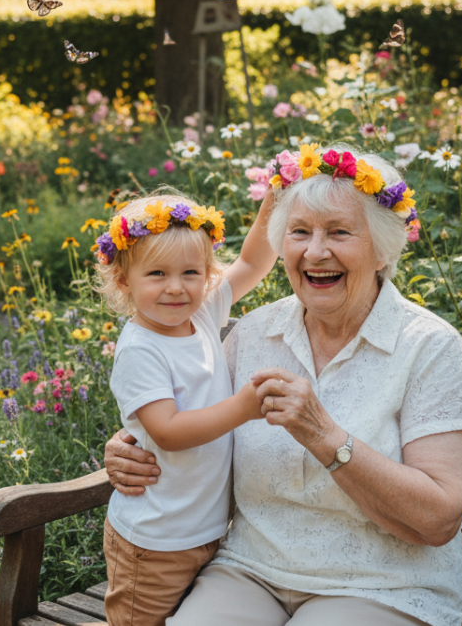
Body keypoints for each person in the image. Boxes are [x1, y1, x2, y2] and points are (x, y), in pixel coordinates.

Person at [104, 147, 462, 626]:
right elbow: (189, 417)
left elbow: (439, 519)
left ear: (383, 248)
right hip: (251, 569)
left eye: (339, 232)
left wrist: (327, 438)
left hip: (383, 585)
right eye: (300, 232)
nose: (315, 252)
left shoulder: (428, 347)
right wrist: (130, 443)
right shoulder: (253, 334)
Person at [95, 191, 276, 626]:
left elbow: (252, 262)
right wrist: (243, 407)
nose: (176, 287)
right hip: (156, 540)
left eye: (191, 273)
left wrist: (275, 198)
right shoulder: (141, 348)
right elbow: (169, 431)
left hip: (205, 532)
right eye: (157, 273)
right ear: (124, 281)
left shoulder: (203, 313)